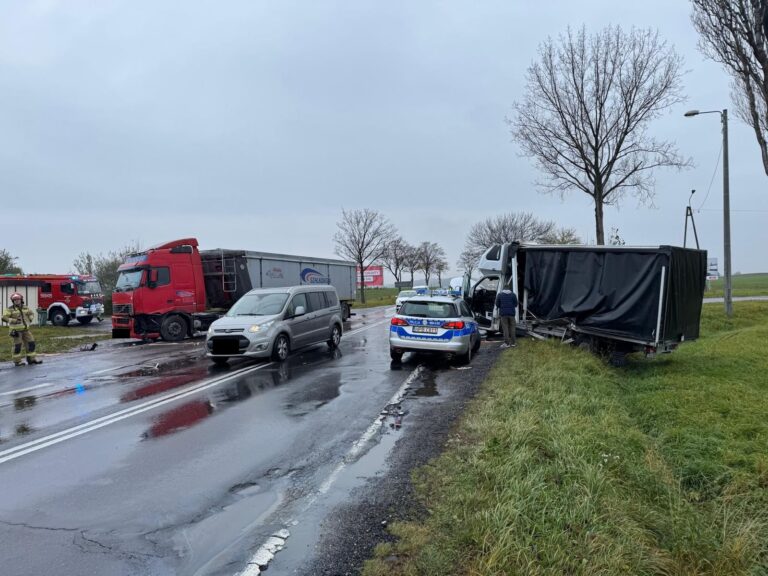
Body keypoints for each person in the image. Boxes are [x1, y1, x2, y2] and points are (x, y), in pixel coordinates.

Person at [2, 292, 43, 366]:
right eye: (15, 300)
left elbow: (31, 313)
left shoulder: (25, 307)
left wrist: (30, 319)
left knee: (31, 344)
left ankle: (31, 359)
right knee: (17, 346)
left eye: (18, 299)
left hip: (26, 330)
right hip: (16, 331)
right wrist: (14, 321)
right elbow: (4, 318)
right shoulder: (10, 309)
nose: (17, 301)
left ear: (21, 300)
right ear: (13, 301)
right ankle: (17, 361)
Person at [494, 283, 518, 348]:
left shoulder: (500, 295)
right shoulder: (513, 295)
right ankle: (513, 343)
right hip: (512, 314)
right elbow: (516, 304)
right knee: (512, 328)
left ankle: (506, 343)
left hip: (503, 314)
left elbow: (497, 304)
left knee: (505, 329)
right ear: (509, 289)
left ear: (503, 289)